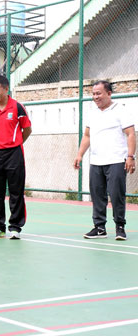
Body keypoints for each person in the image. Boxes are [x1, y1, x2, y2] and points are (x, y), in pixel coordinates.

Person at [74, 80, 135, 240]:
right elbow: (87, 136)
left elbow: (130, 134)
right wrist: (79, 154)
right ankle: (99, 228)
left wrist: (130, 156)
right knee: (97, 195)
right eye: (93, 94)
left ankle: (120, 227)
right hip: (96, 162)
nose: (95, 97)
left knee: (116, 195)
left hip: (116, 160)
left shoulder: (120, 110)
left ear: (109, 93)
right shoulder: (92, 113)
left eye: (99, 93)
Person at [0, 75, 32, 240]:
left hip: (14, 154)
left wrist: (15, 143)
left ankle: (15, 227)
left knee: (16, 192)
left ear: (6, 89)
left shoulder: (17, 107)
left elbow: (27, 129)